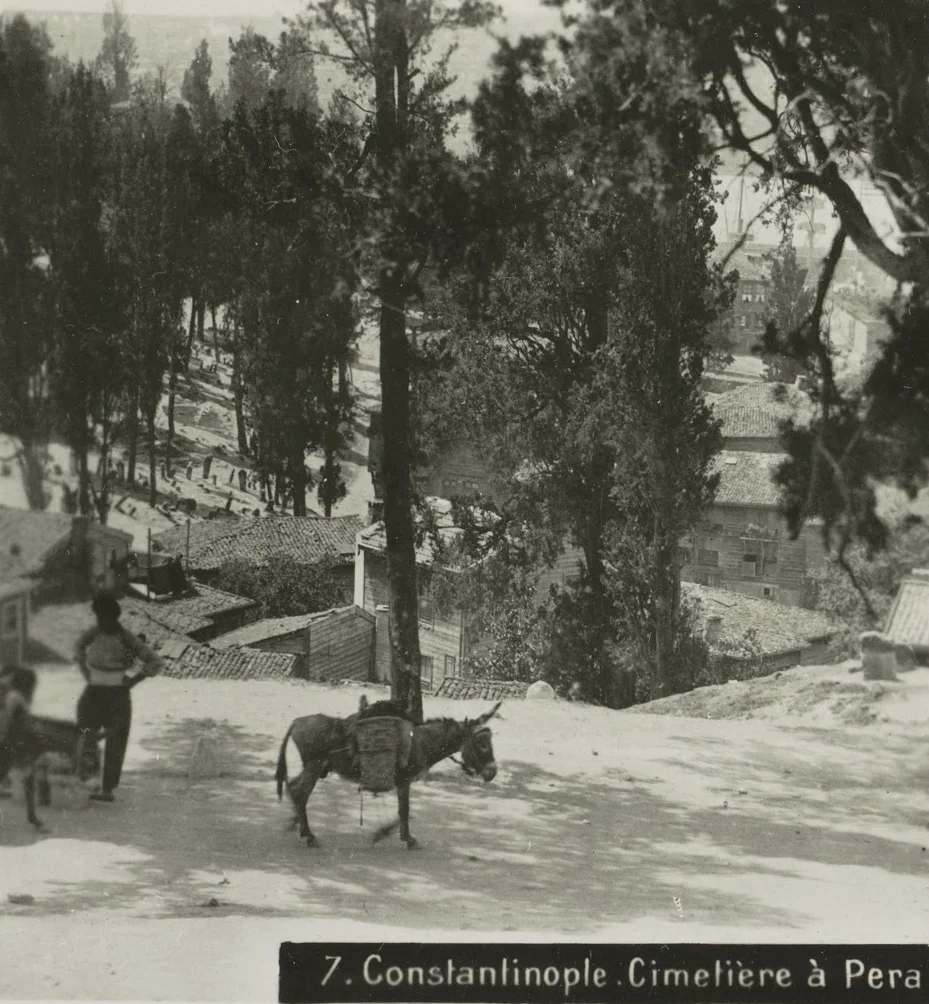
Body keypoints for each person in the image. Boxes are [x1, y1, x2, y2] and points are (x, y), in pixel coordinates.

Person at [73, 594, 163, 802]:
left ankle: (107, 789)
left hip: (117, 694)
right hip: (93, 692)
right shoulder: (92, 633)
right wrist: (84, 671)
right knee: (86, 734)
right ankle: (89, 783)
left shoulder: (126, 637)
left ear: (115, 617)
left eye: (106, 617)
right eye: (98, 617)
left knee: (116, 739)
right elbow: (78, 647)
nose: (102, 621)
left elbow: (154, 661)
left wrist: (133, 681)